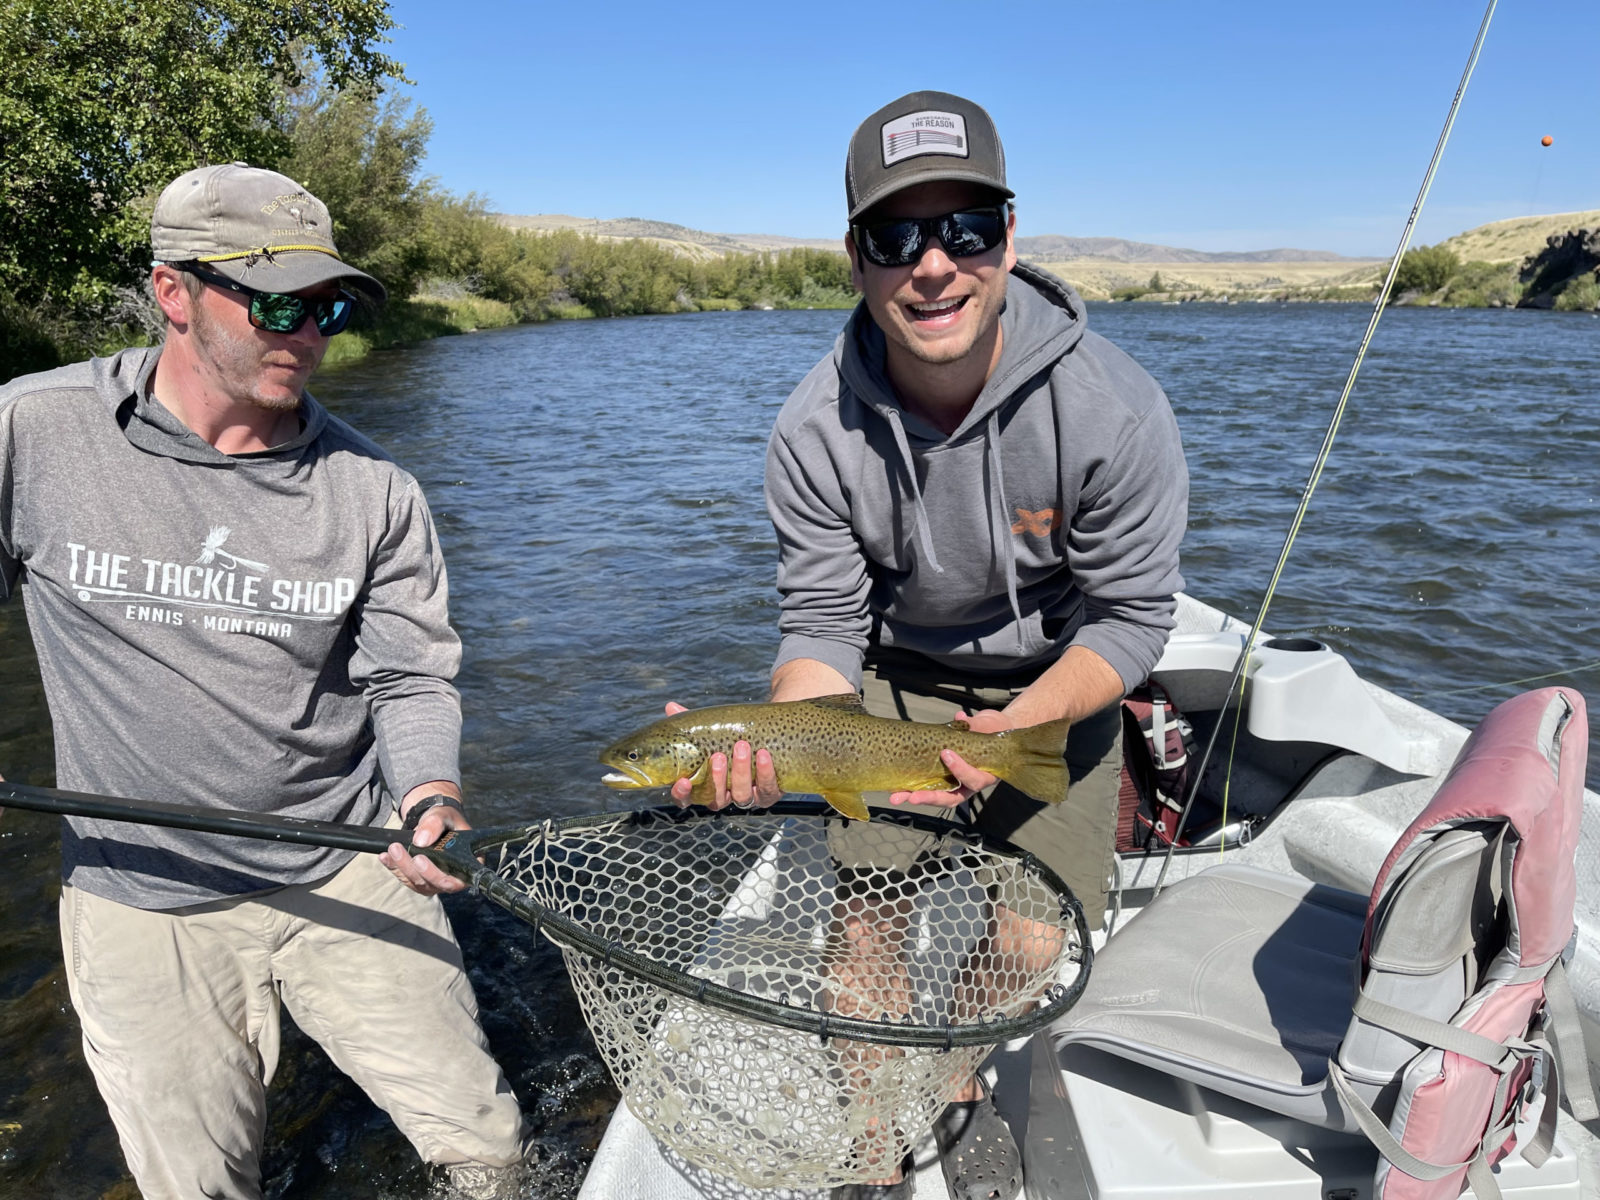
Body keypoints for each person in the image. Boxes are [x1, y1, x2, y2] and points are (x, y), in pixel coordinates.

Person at [671, 91, 1188, 1200]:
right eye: (896, 236)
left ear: (1009, 238)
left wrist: (1030, 720)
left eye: (965, 229)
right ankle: (871, 1143)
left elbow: (1132, 618)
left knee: (1031, 946)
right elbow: (821, 625)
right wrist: (786, 741)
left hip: (1059, 680)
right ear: (855, 258)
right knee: (866, 924)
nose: (934, 266)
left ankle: (948, 1059)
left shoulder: (1114, 410)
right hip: (894, 681)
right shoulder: (814, 429)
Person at [0, 164, 527, 1200]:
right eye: (277, 302)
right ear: (172, 293)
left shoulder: (375, 491)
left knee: (490, 1159)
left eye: (326, 306)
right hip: (139, 895)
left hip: (346, 858)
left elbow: (413, 677)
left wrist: (429, 793)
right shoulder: (33, 433)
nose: (306, 331)